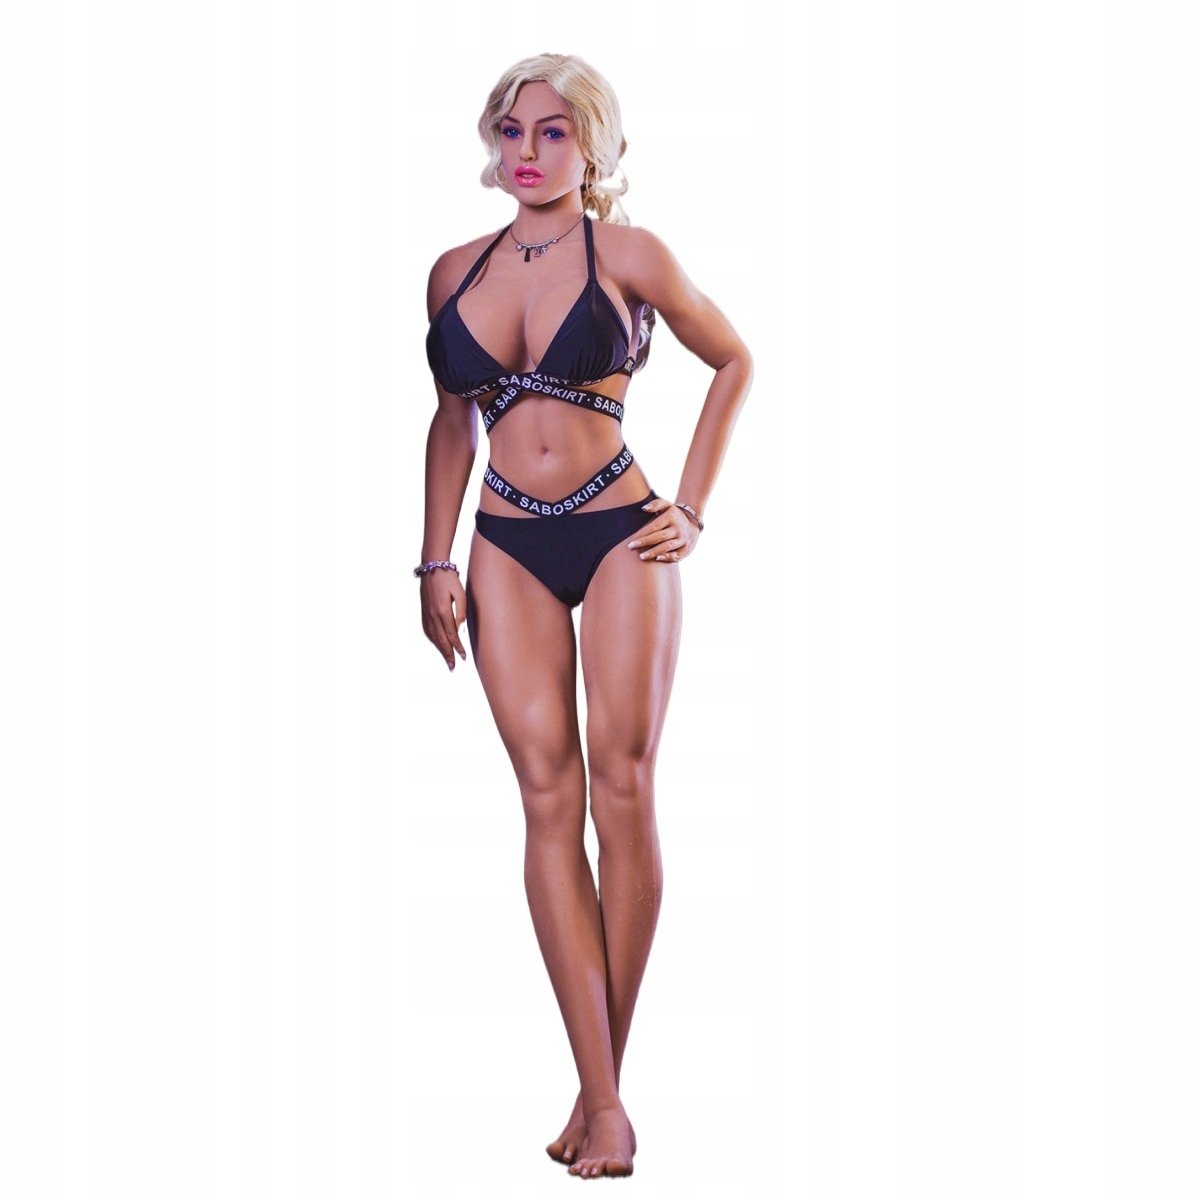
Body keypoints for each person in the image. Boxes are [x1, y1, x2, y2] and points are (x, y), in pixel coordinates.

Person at [417, 52, 752, 1179]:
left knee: (624, 784)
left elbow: (732, 360)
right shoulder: (454, 271)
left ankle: (602, 1093)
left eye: (553, 132)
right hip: (503, 542)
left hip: (621, 530)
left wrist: (692, 509)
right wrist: (433, 558)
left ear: (592, 146)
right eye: (512, 130)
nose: (527, 151)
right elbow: (453, 423)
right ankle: (604, 1098)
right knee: (548, 800)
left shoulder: (631, 254)